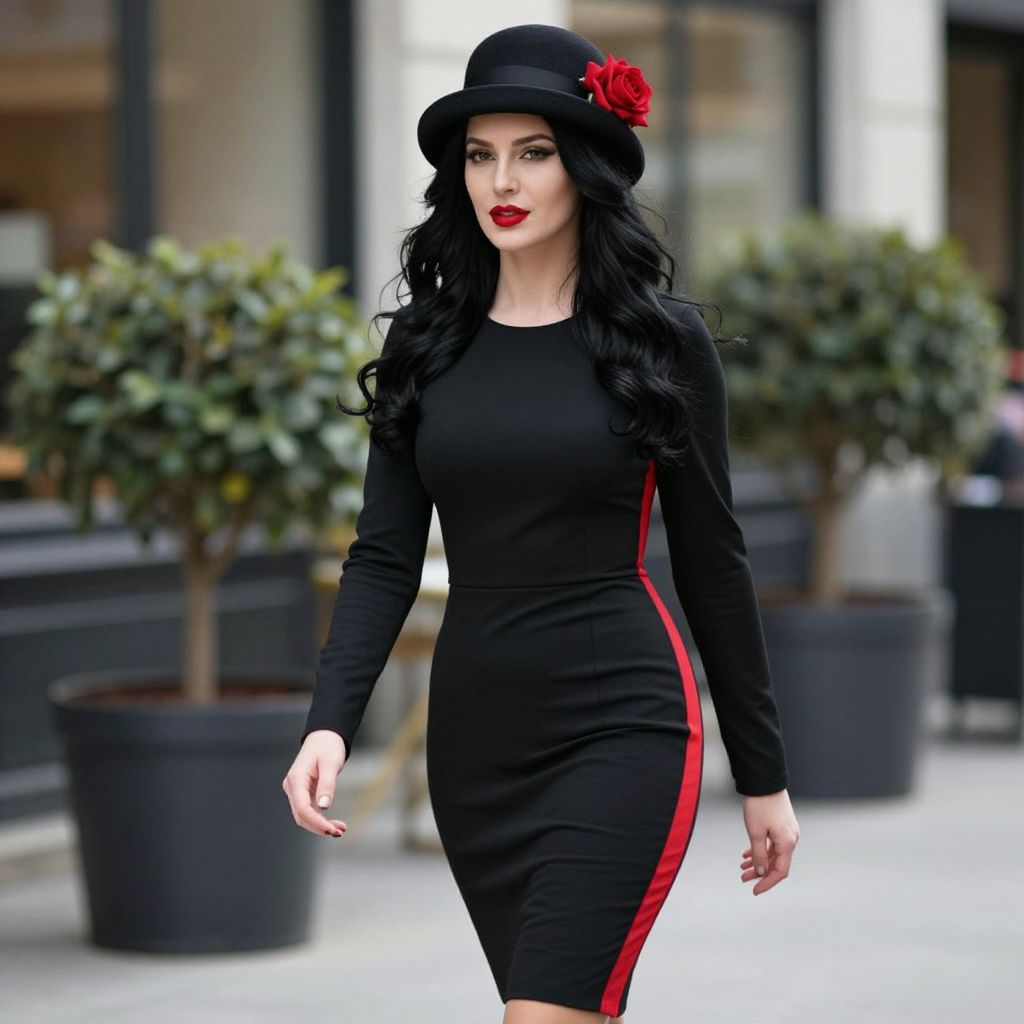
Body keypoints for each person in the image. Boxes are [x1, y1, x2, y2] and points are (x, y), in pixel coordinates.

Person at [282, 23, 800, 1024]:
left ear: (585, 168)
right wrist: (330, 723)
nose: (501, 181)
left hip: (623, 723)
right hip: (476, 740)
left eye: (533, 152)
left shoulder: (659, 341)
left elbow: (713, 561)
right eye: (480, 156)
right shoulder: (425, 344)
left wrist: (763, 773)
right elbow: (383, 556)